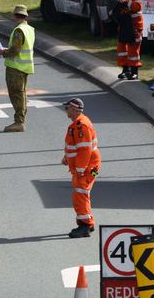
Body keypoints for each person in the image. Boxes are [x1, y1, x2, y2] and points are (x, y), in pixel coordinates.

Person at [61, 98, 101, 238]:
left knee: (81, 194)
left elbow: (85, 150)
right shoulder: (78, 124)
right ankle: (86, 223)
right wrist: (67, 158)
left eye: (67, 108)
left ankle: (85, 226)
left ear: (73, 109)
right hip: (85, 166)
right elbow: (76, 147)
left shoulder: (81, 126)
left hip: (86, 167)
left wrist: (80, 169)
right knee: (81, 194)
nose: (66, 110)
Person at [0, 4, 35, 132]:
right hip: (25, 66)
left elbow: (16, 50)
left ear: (15, 16)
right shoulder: (29, 29)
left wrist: (4, 52)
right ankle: (20, 120)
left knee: (16, 94)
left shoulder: (19, 30)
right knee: (21, 93)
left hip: (16, 67)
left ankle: (19, 122)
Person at [115, 0, 143, 80]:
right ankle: (125, 70)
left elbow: (137, 6)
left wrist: (126, 2)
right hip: (125, 24)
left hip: (134, 24)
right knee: (121, 47)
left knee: (133, 48)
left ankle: (134, 71)